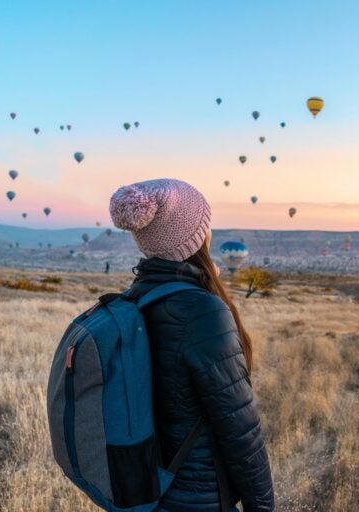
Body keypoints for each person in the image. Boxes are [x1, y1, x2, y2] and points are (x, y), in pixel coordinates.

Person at [109, 178, 275, 512]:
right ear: (196, 237)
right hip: (197, 496)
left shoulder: (134, 300)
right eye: (205, 224)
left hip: (145, 491)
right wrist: (263, 506)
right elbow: (240, 428)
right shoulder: (201, 311)